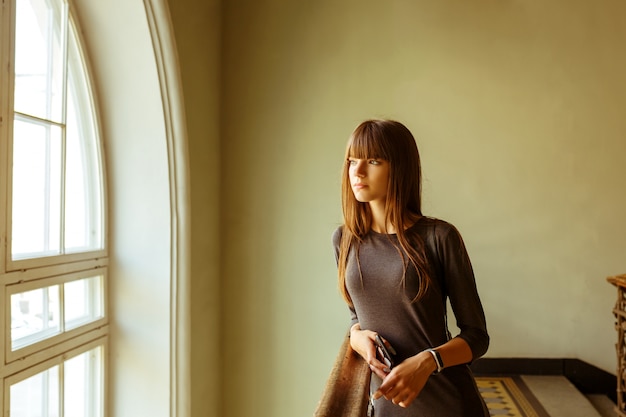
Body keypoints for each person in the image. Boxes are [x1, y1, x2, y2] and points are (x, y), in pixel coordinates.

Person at [332, 119, 489, 416]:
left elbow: (477, 336)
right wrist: (355, 335)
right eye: (352, 161)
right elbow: (359, 316)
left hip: (447, 405)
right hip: (385, 405)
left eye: (373, 160)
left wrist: (429, 361)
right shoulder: (344, 241)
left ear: (399, 167)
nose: (358, 171)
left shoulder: (439, 237)